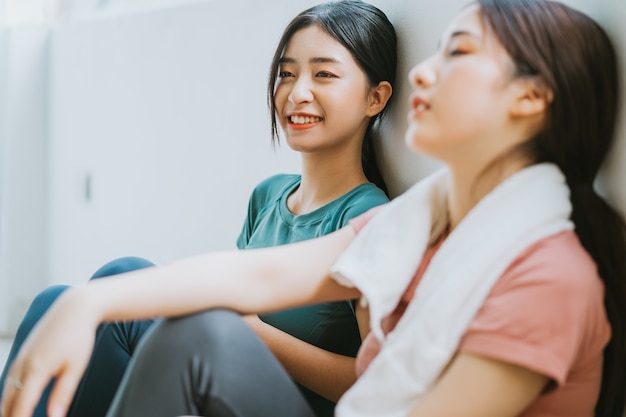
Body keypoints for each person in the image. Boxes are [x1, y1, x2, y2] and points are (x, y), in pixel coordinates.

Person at [3, 0, 626, 416]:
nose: (423, 74)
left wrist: (240, 328)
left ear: (531, 97)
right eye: (286, 73)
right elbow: (256, 274)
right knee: (108, 291)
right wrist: (88, 302)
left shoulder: (549, 279)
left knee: (204, 338)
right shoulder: (414, 224)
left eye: (457, 53)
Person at [0, 1, 396, 417]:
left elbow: (377, 383)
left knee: (201, 327)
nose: (297, 93)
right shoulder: (269, 196)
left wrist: (254, 334)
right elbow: (239, 293)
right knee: (85, 290)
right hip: (222, 387)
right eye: (286, 73)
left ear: (375, 97)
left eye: (324, 74)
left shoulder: (370, 218)